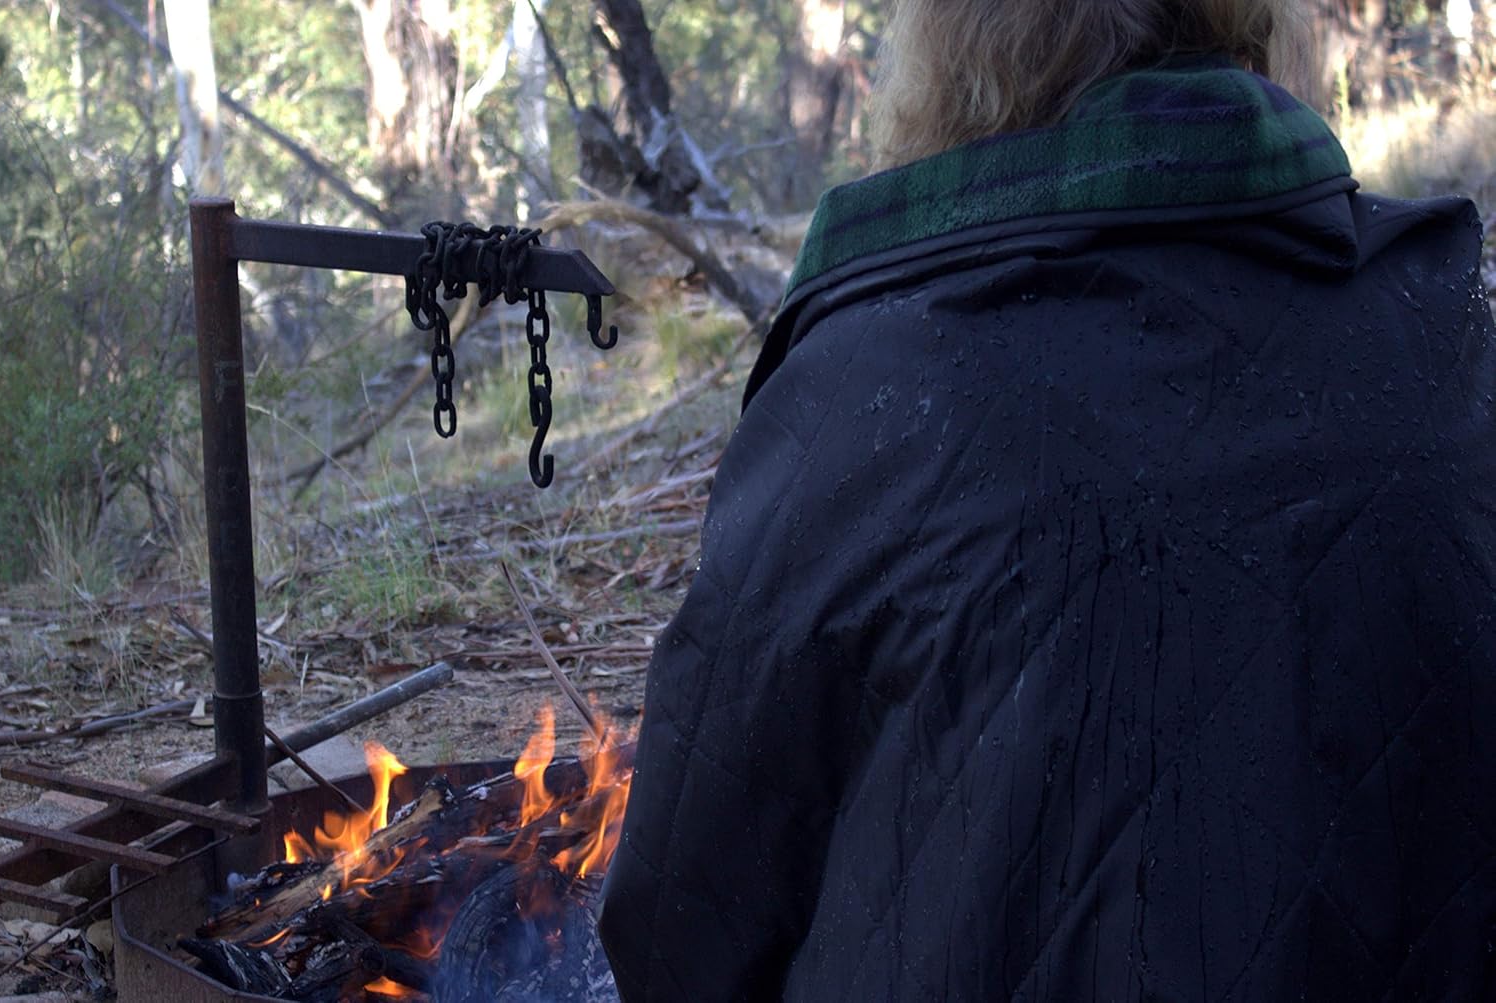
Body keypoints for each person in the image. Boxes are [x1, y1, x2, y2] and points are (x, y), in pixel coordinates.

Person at [597, 0, 1496, 999]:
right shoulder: (1443, 332)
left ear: (950, 59)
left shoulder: (865, 384)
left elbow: (685, 916)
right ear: (1261, 34)